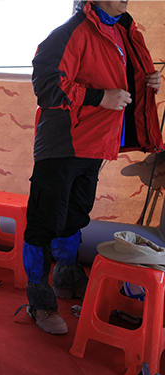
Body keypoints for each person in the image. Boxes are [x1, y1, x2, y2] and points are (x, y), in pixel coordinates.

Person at [23, 0, 162, 335]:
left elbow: (119, 81)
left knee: (76, 215)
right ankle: (39, 302)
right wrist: (99, 97)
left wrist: (147, 82)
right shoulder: (73, 32)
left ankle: (66, 278)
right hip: (62, 144)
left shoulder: (123, 30)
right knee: (44, 222)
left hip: (96, 143)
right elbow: (46, 83)